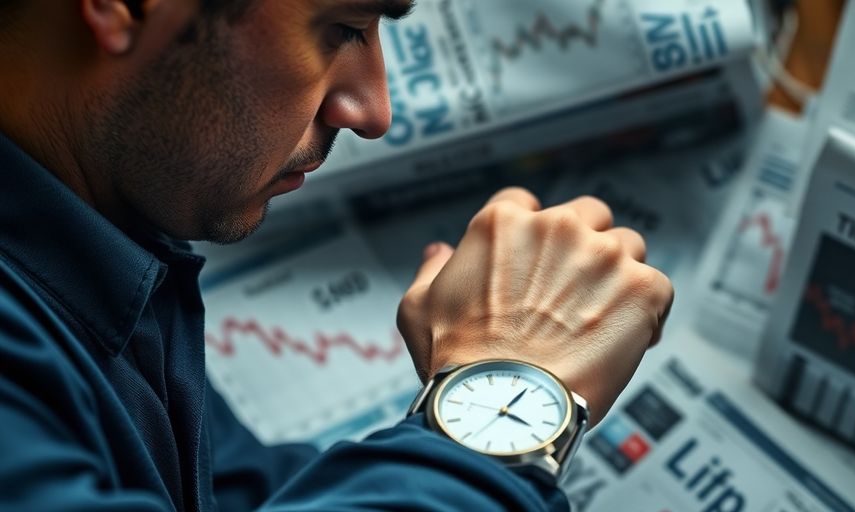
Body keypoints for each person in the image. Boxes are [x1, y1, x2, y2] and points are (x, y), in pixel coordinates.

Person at [0, 0, 674, 510]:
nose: (370, 111)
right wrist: (511, 391)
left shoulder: (107, 241)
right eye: (344, 28)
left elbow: (234, 491)